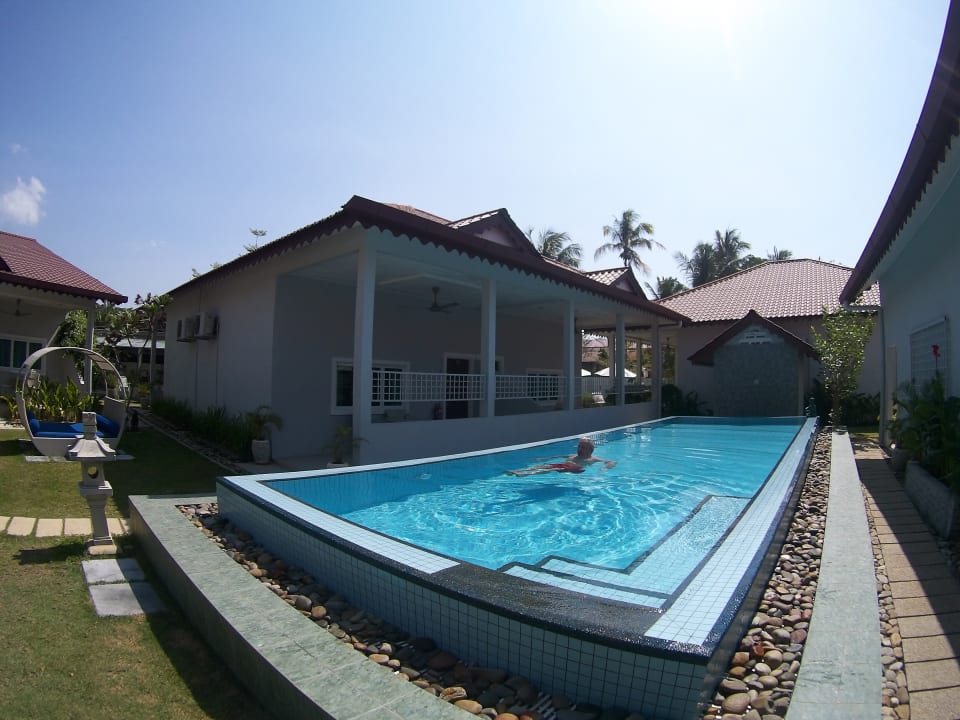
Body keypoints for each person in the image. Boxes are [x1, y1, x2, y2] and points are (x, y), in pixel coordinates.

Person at [506, 437, 616, 476]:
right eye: (579, 446)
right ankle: (520, 471)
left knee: (554, 468)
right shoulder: (573, 455)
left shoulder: (593, 459)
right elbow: (560, 455)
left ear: (590, 450)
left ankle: (524, 474)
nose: (579, 449)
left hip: (575, 469)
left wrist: (605, 468)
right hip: (565, 465)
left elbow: (611, 461)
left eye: (582, 447)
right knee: (545, 465)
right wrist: (545, 458)